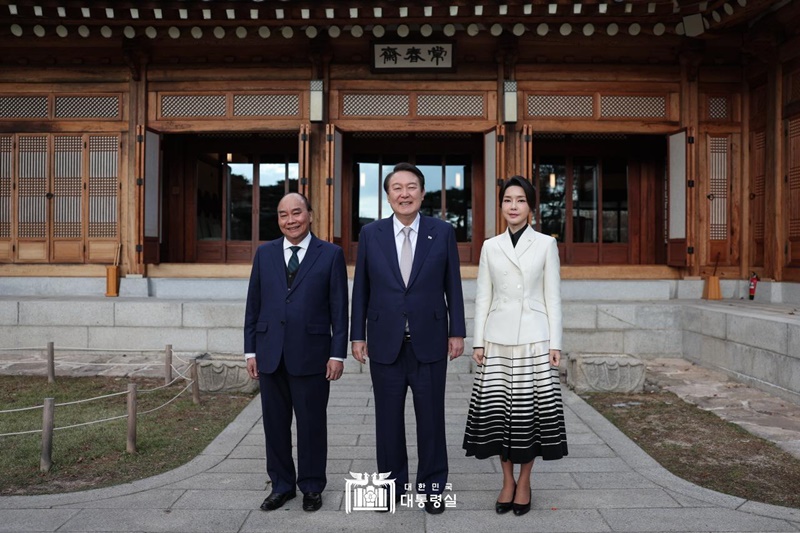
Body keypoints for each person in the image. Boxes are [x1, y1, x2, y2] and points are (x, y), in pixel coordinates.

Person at [350, 162, 466, 514]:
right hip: (385, 341)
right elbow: (362, 290)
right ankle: (391, 487)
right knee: (387, 421)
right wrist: (357, 335)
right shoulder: (371, 234)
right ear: (387, 195)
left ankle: (432, 488)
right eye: (397, 187)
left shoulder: (442, 232)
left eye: (411, 186)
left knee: (431, 419)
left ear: (422, 192)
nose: (404, 193)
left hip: (429, 340)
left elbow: (453, 287)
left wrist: (457, 330)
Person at [462, 175, 568, 516]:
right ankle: (506, 480)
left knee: (529, 416)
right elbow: (483, 295)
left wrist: (556, 343)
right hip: (497, 337)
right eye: (508, 200)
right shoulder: (490, 246)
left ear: (530, 207)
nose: (513, 206)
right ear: (502, 205)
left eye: (520, 200)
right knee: (497, 417)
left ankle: (525, 481)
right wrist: (477, 340)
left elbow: (553, 296)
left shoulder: (545, 244)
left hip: (534, 339)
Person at [244, 192, 348, 513]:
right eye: (283, 214)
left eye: (297, 213)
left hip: (313, 355)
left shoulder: (330, 254)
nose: (290, 220)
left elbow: (339, 309)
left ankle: (312, 486)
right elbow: (254, 305)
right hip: (270, 353)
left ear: (310, 215)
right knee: (274, 425)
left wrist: (337, 354)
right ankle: (282, 485)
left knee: (311, 424)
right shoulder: (265, 254)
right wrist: (250, 351)